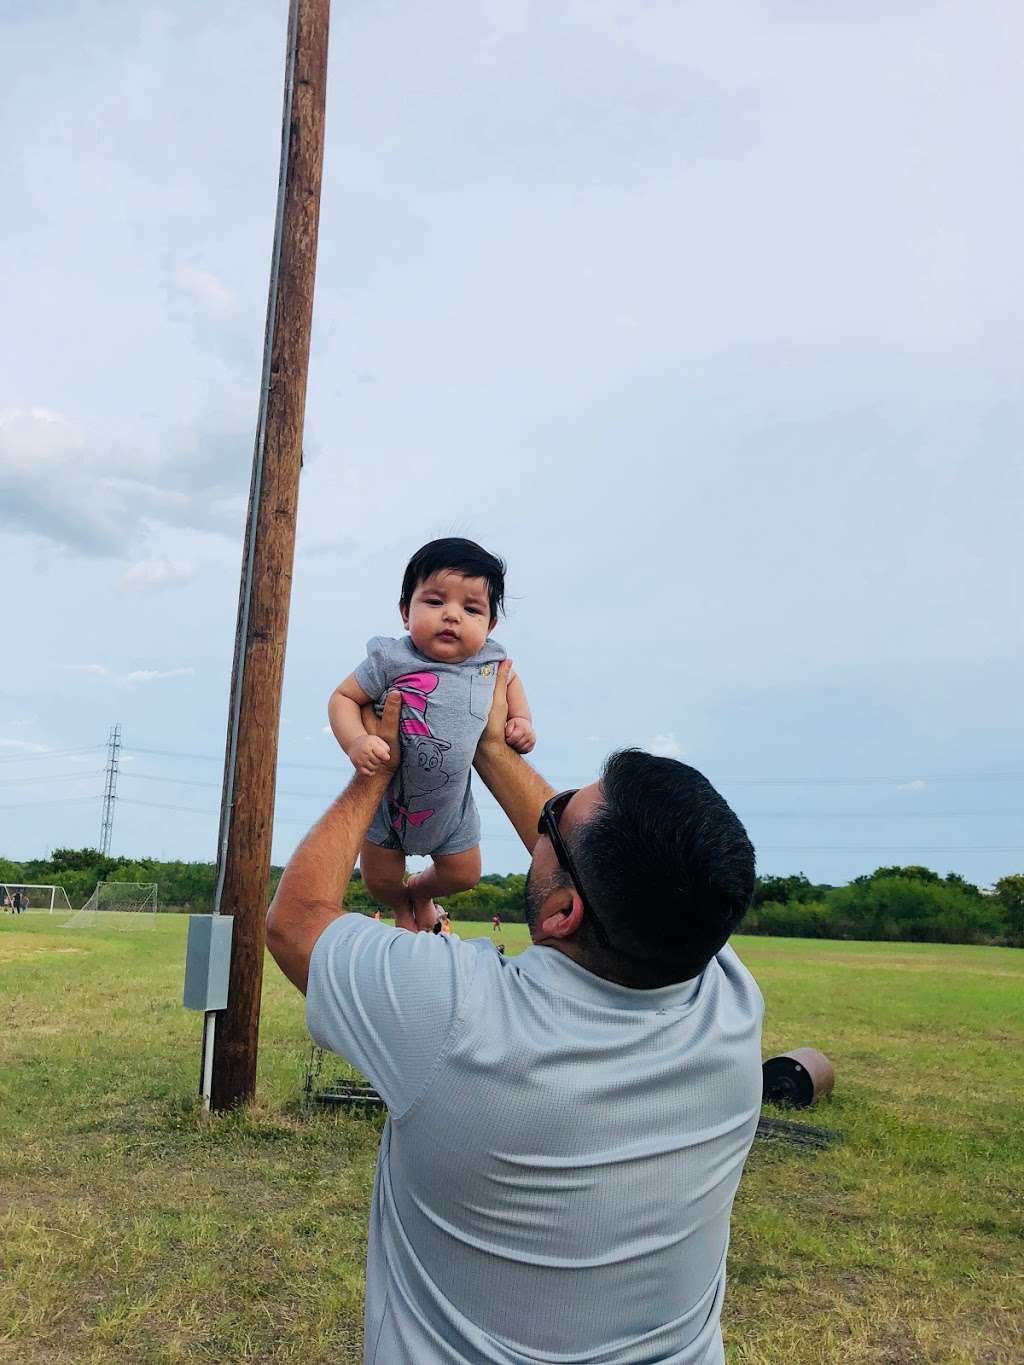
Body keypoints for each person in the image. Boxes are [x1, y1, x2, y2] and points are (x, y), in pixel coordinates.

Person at [267, 663, 763, 1364]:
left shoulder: (456, 1012)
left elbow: (295, 920)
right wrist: (492, 747)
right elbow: (616, 867)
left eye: (553, 824)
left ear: (562, 913)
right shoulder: (726, 997)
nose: (544, 815)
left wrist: (377, 766)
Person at [328, 538, 535, 933]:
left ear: (489, 625)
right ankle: (402, 907)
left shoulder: (491, 662)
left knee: (464, 874)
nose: (452, 616)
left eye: (471, 608)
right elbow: (342, 698)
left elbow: (511, 685)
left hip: (451, 809)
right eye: (436, 602)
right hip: (388, 802)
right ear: (406, 612)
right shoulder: (391, 659)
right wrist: (355, 741)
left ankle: (422, 892)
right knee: (379, 880)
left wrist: (521, 721)